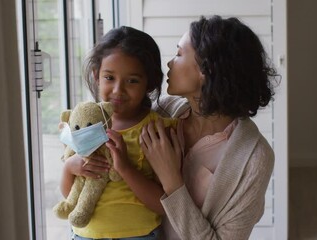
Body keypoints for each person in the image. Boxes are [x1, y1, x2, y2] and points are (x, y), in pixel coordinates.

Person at [139, 15, 279, 240]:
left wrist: (172, 181)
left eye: (178, 54)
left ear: (205, 68)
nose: (169, 63)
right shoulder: (162, 112)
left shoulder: (255, 158)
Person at [60, 26, 175, 239]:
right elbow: (70, 196)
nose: (117, 90)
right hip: (85, 235)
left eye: (132, 80)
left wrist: (125, 168)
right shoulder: (83, 122)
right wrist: (69, 167)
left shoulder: (155, 129)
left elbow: (165, 205)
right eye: (109, 78)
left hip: (139, 235)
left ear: (148, 83)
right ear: (96, 76)